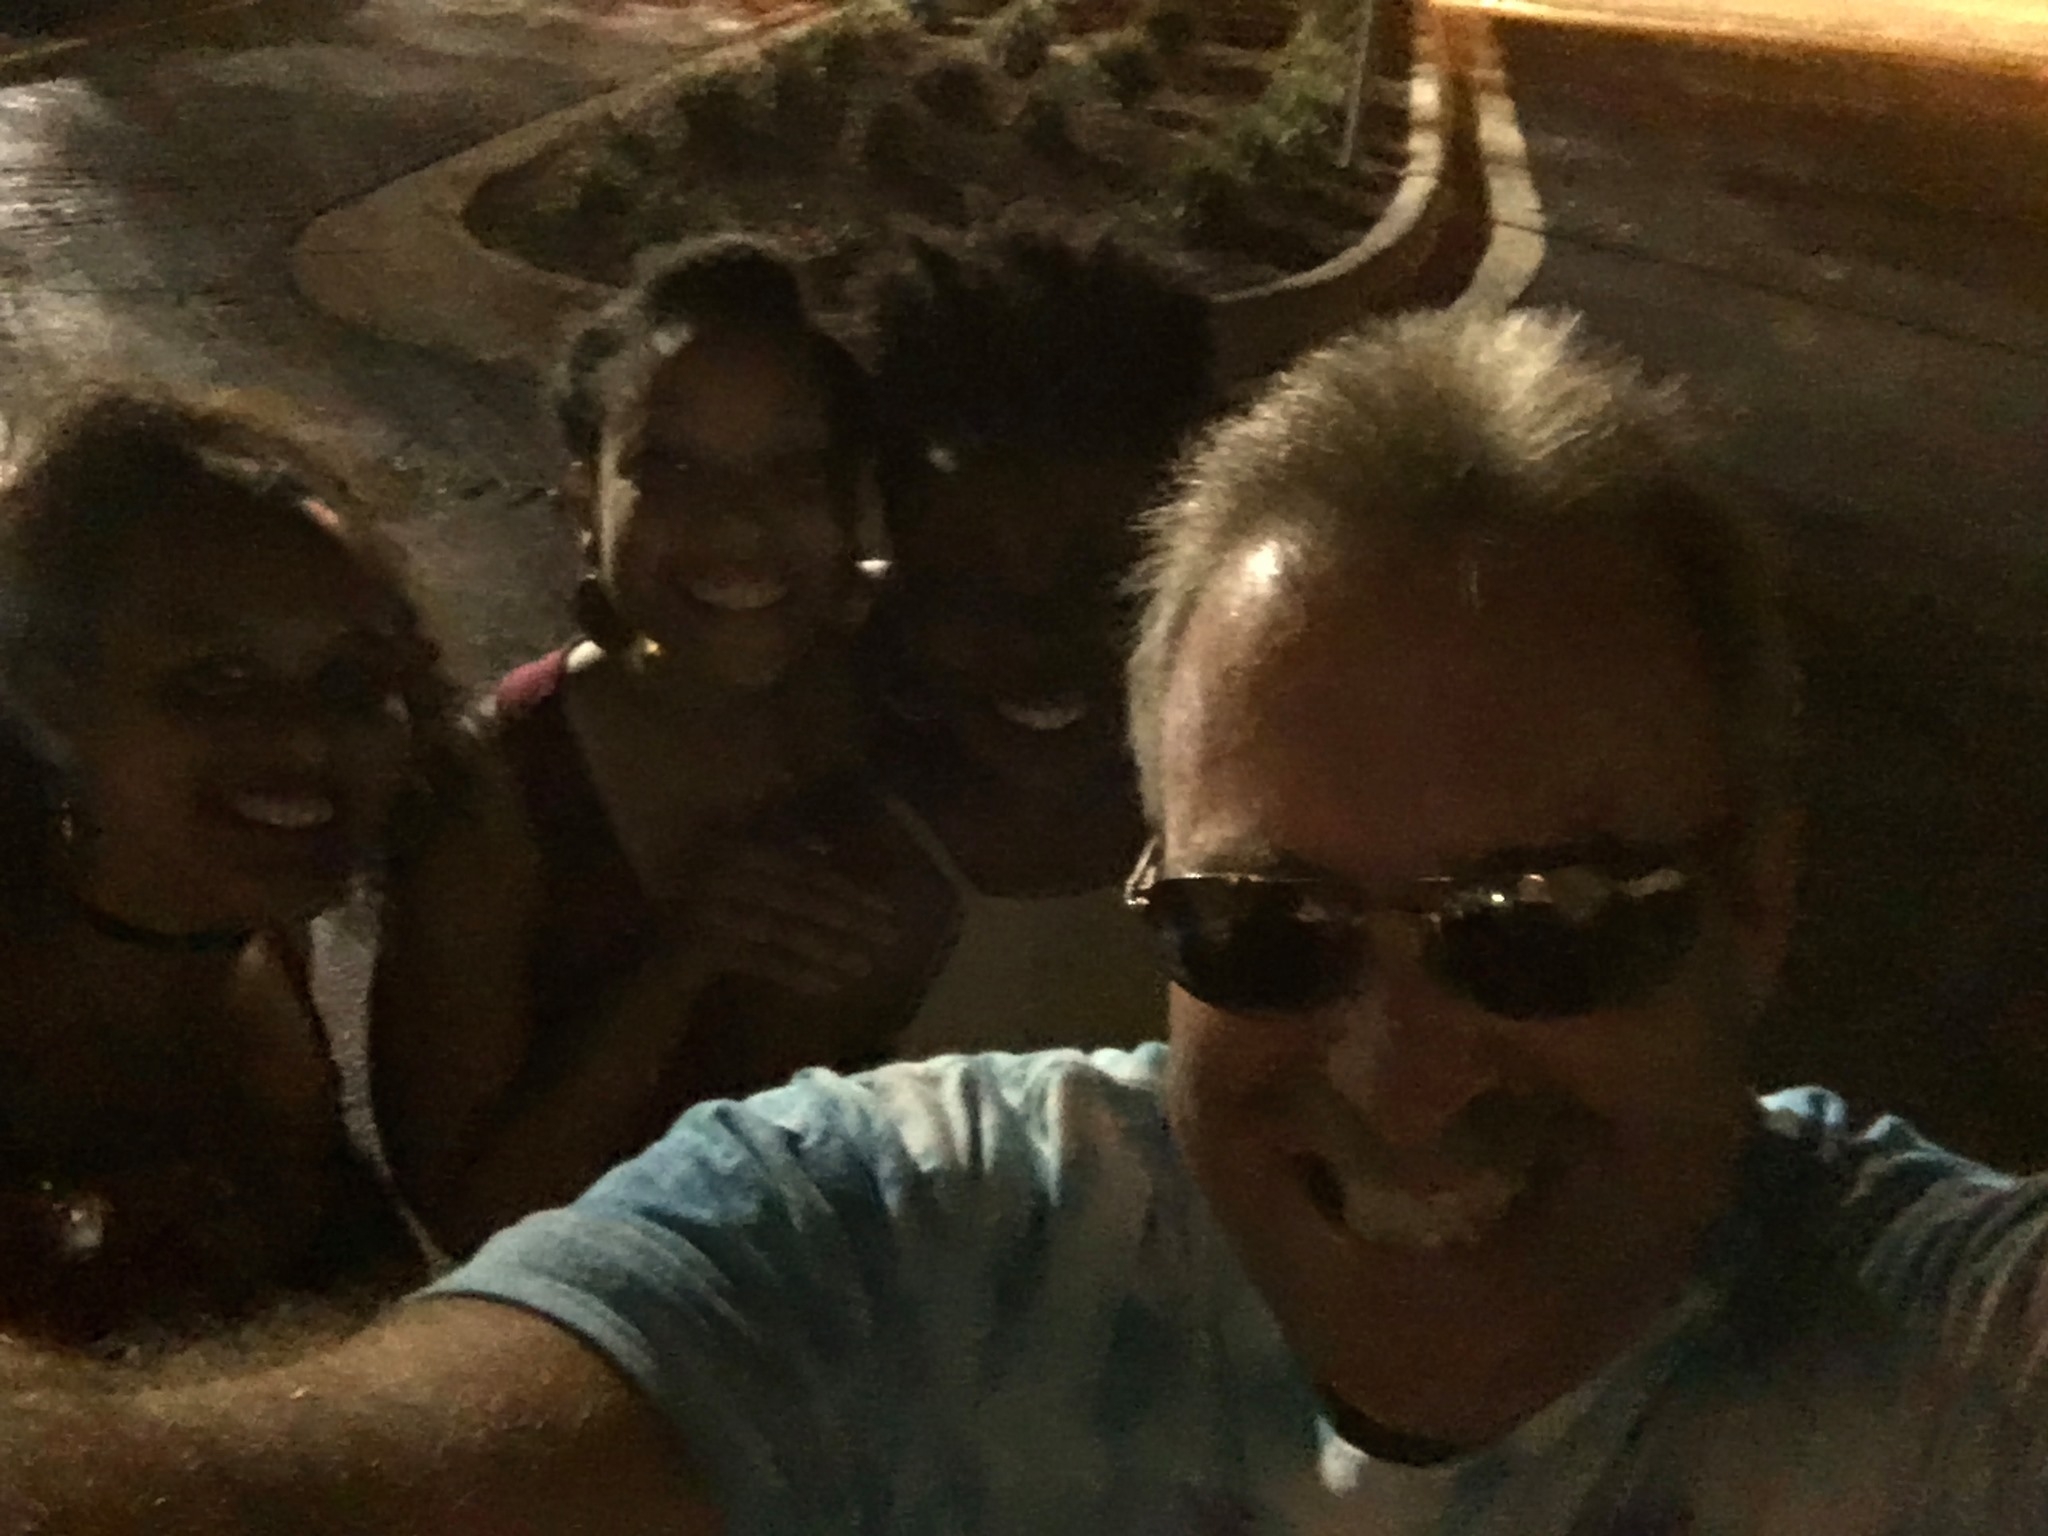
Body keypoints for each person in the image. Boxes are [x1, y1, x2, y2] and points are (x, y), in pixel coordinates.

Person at [6, 309, 2046, 1533]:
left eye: (1546, 921)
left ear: (1758, 903)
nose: (1402, 1075)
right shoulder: (917, 1226)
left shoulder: (1951, 1364)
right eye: (1264, 925)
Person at [370, 236, 954, 1255]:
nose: (738, 523)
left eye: (793, 470)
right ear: (583, 509)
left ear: (852, 504)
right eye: (670, 467)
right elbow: (472, 1219)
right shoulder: (500, 789)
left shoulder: (929, 683)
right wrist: (678, 966)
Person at [0, 391, 437, 1350]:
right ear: (51, 697)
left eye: (352, 681)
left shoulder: (250, 931)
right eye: (217, 681)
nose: (304, 739)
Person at [861, 225, 1217, 1055]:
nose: (1033, 641)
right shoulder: (845, 896)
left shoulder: (1289, 861)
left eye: (1101, 582)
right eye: (967, 585)